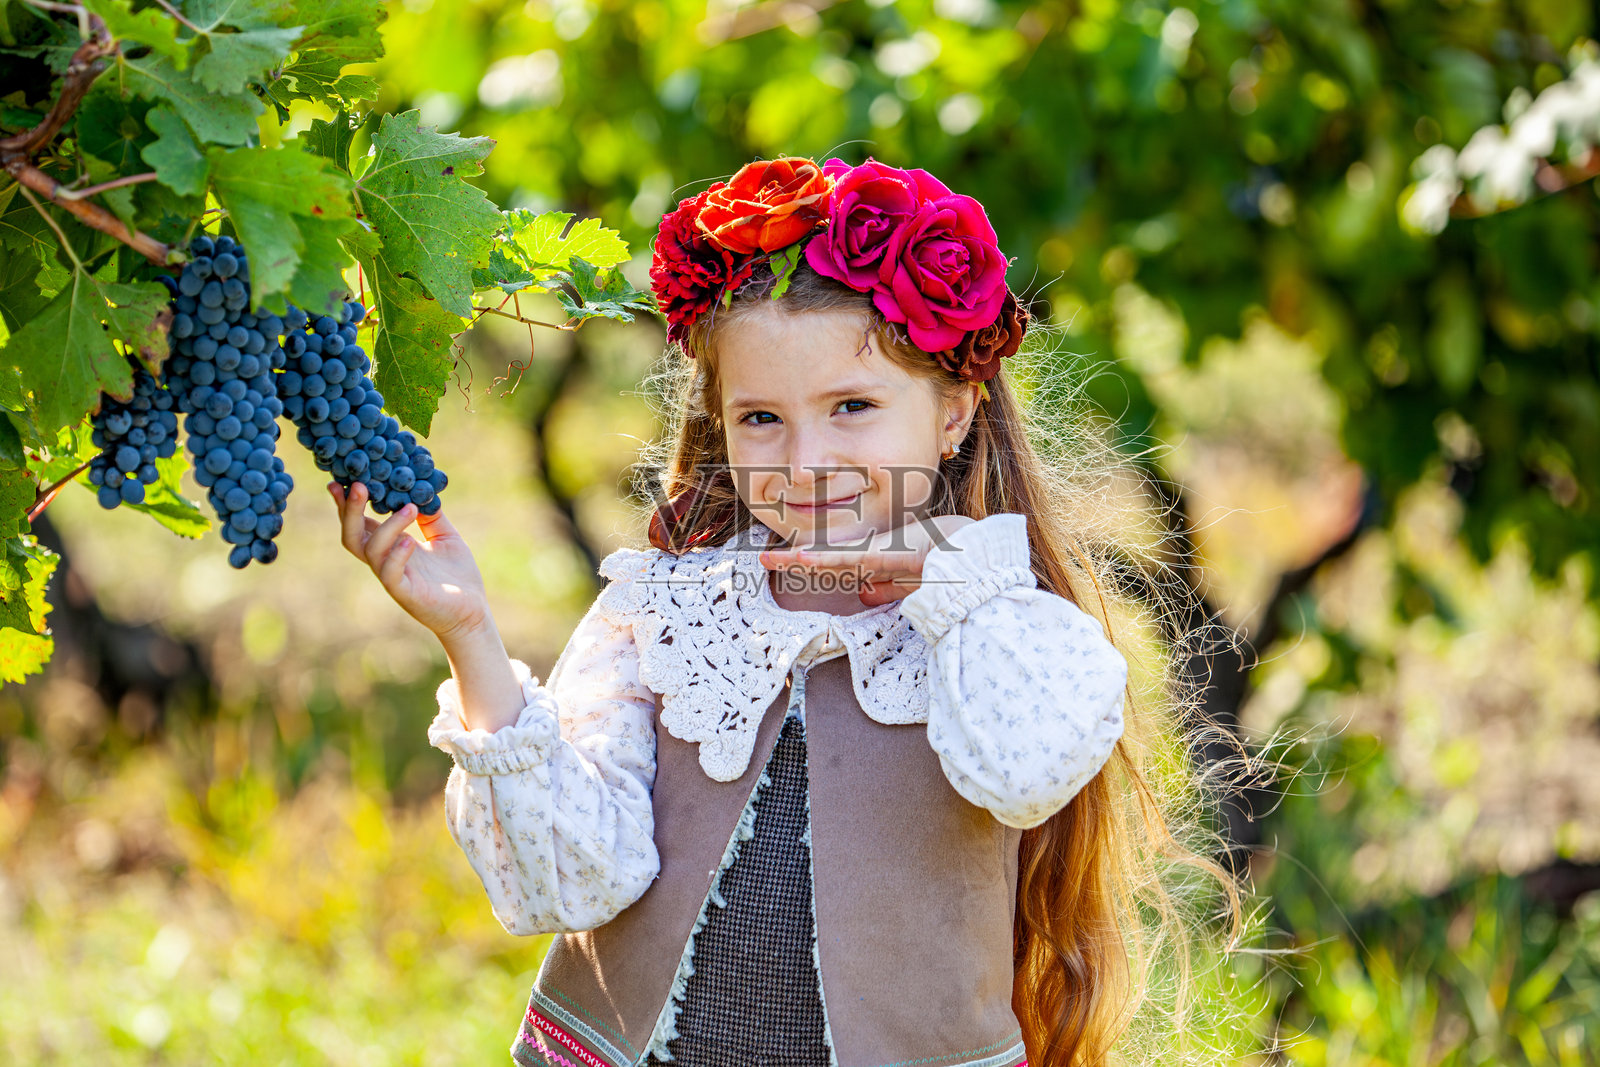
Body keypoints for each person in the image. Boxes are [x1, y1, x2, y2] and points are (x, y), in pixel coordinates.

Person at [329, 156, 1246, 1067]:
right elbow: (574, 877)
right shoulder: (666, 604)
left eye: (853, 405)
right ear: (719, 423)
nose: (804, 461)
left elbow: (1028, 771)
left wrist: (951, 583)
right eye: (761, 418)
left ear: (956, 413)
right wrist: (469, 635)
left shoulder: (1006, 627)